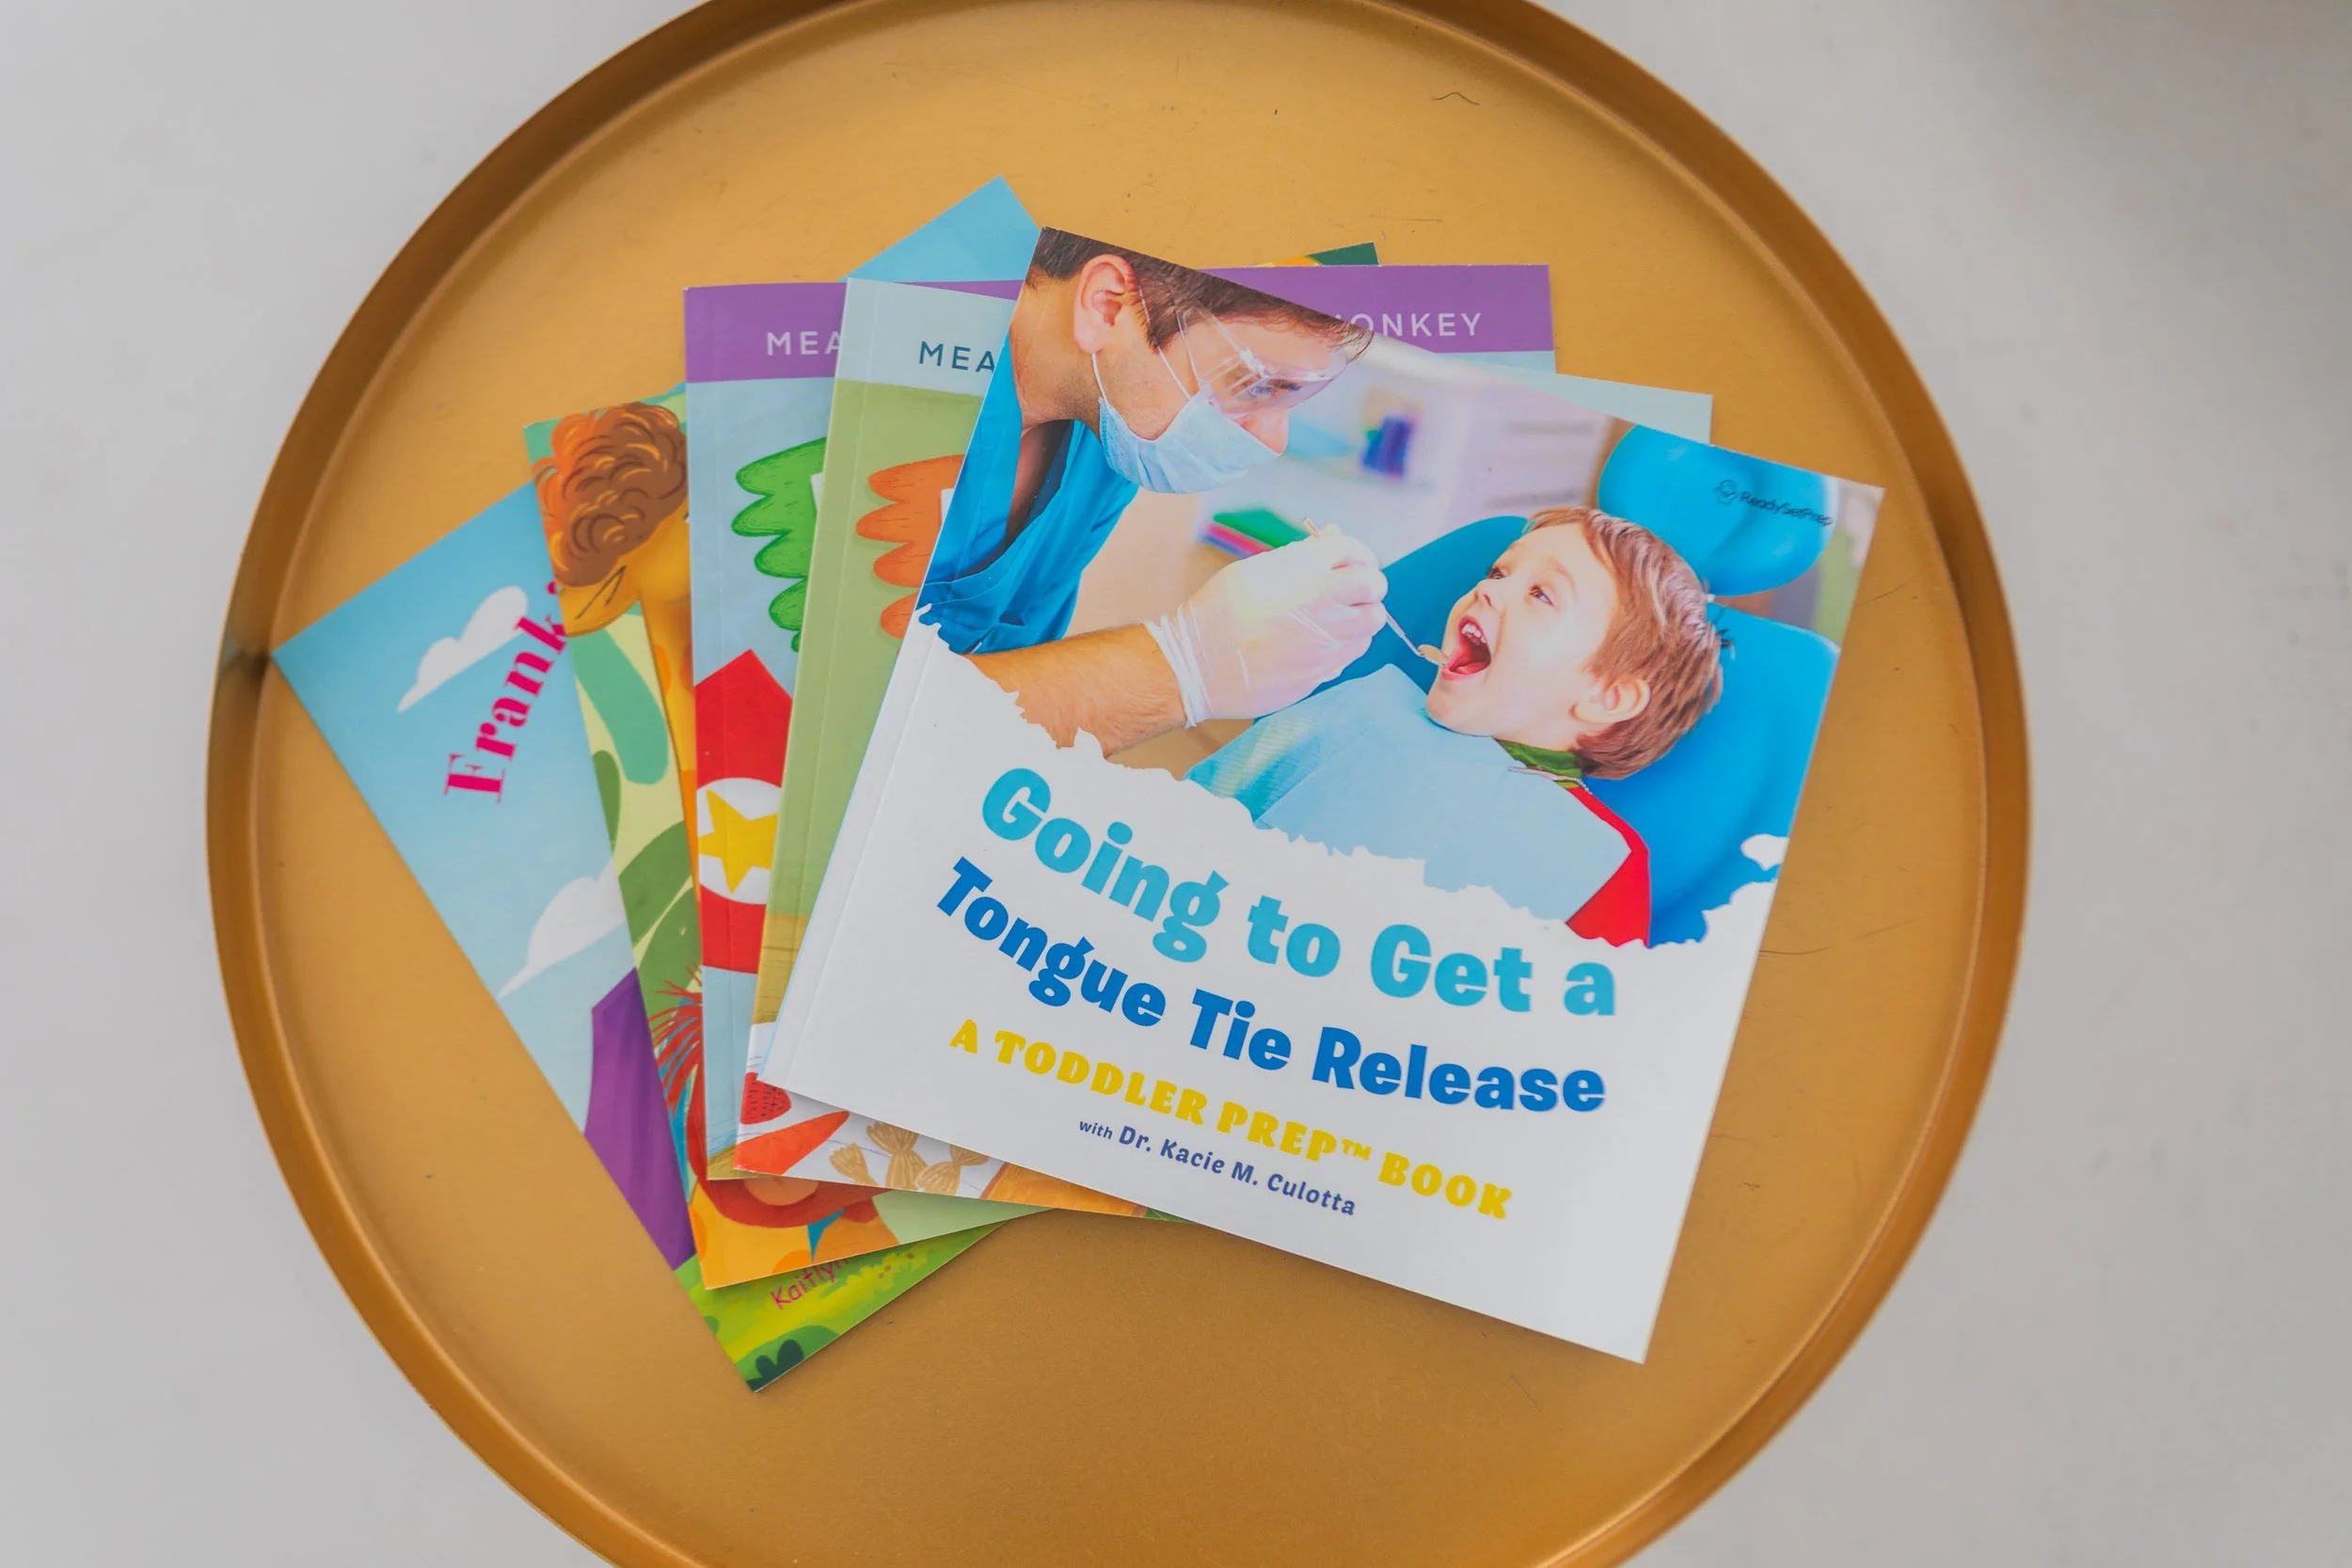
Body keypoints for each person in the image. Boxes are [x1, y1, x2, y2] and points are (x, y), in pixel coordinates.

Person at [924, 230, 1390, 754]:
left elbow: (998, 677)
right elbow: (833, 725)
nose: (1274, 439)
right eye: (1256, 385)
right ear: (1108, 306)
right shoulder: (883, 390)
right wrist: (1180, 665)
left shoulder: (1104, 444)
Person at [1188, 507, 1724, 945]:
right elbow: (1181, 824)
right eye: (1498, 573)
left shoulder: (1602, 862)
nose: (1488, 591)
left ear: (1608, 697)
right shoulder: (1360, 707)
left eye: (1542, 594)